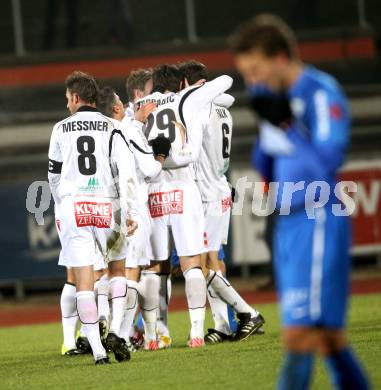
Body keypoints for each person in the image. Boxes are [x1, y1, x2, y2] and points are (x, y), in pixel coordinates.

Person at [229, 14, 369, 389]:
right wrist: (269, 124)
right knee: (329, 339)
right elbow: (267, 165)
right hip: (288, 223)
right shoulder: (276, 101)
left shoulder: (320, 92)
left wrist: (288, 122)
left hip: (318, 217)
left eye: (256, 71)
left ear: (279, 58)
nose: (252, 82)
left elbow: (328, 159)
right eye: (247, 75)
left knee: (299, 337)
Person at [48, 71, 139, 365]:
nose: (66, 105)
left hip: (75, 207)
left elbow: (53, 177)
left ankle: (98, 351)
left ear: (76, 98)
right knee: (117, 271)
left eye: (67, 99)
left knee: (83, 282)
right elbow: (124, 173)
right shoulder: (112, 127)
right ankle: (115, 330)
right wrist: (130, 210)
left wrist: (65, 202)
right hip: (106, 205)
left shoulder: (60, 129)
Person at [140, 64, 233, 347]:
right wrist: (198, 89)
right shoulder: (187, 97)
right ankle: (195, 333)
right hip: (184, 188)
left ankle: (154, 336)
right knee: (193, 263)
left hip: (154, 191)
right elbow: (227, 81)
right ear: (181, 82)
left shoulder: (142, 106)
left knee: (156, 267)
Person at [179, 60, 265, 343]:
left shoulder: (199, 108)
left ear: (190, 84)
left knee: (201, 264)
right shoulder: (224, 110)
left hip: (206, 194)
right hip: (219, 188)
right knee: (212, 261)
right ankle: (223, 325)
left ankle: (247, 312)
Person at [97, 84, 170, 351]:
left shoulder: (101, 133)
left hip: (104, 210)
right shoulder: (126, 131)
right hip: (132, 209)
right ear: (116, 108)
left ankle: (102, 325)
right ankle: (122, 333)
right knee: (130, 274)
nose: (127, 106)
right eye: (121, 102)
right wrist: (161, 154)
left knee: (107, 273)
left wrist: (137, 120)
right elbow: (150, 170)